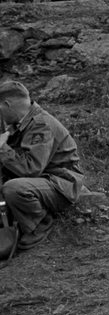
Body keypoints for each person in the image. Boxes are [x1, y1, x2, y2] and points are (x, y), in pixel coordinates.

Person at [0, 80, 84, 253]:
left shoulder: (40, 124)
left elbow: (30, 169)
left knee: (14, 188)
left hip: (61, 185)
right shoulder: (22, 123)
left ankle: (39, 225)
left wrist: (3, 148)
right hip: (43, 182)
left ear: (7, 104)